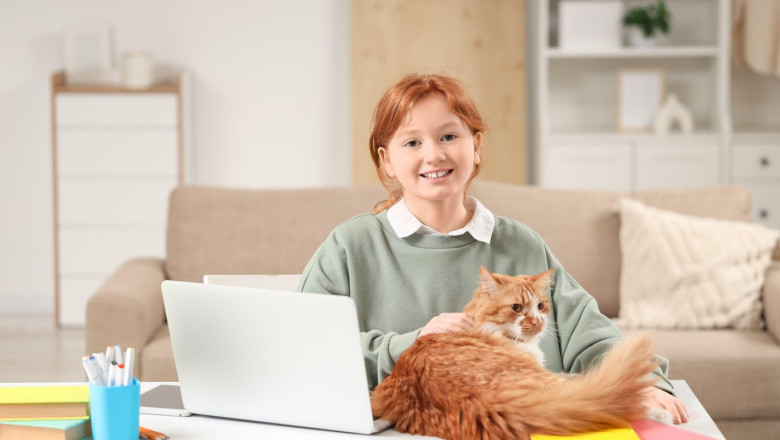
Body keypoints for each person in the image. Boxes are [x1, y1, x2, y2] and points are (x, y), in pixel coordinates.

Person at [297, 73, 689, 424]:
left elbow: (590, 331)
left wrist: (647, 383)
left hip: (522, 425)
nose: (434, 154)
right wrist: (410, 344)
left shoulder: (520, 244)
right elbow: (304, 347)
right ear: (387, 162)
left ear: (476, 145)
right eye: (412, 142)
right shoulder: (350, 245)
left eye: (449, 136)